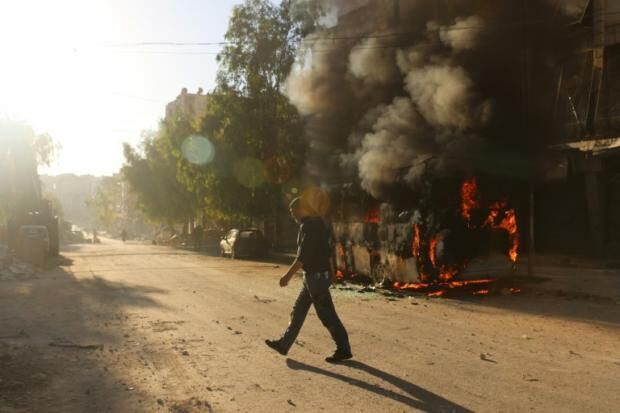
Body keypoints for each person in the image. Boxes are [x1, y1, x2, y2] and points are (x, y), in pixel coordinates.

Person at [265, 197, 352, 363]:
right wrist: (332, 272)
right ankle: (284, 344)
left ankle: (344, 349)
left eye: (293, 212)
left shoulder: (308, 226)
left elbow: (302, 257)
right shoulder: (319, 223)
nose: (293, 216)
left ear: (301, 209)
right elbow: (327, 251)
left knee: (327, 315)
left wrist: (287, 276)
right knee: (298, 312)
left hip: (316, 278)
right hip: (313, 278)